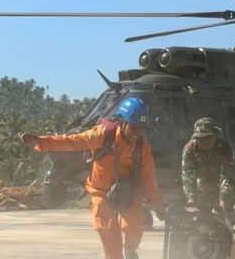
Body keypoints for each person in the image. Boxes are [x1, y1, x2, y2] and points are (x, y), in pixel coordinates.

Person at [21, 97, 164, 259]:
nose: (137, 133)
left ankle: (130, 251)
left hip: (127, 191)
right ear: (122, 122)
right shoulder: (102, 135)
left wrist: (158, 204)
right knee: (108, 232)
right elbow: (72, 142)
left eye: (141, 128)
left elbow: (149, 178)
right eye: (133, 127)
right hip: (101, 191)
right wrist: (41, 141)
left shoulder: (142, 147)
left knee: (135, 225)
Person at [181, 117, 235, 227]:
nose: (205, 142)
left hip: (220, 186)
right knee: (197, 221)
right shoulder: (190, 148)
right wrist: (191, 201)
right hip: (200, 188)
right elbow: (188, 175)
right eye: (200, 139)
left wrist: (222, 204)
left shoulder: (224, 148)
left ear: (215, 136)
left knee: (227, 220)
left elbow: (227, 176)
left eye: (208, 138)